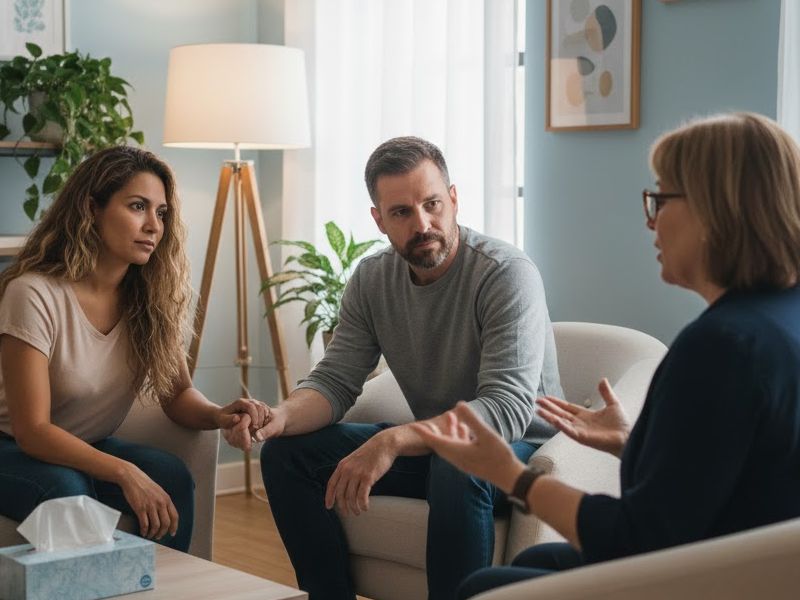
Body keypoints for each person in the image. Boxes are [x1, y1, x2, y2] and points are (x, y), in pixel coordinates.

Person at [412, 112, 800, 599]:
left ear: (715, 210)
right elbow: (738, 471)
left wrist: (511, 475)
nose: (650, 220)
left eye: (660, 198)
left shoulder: (722, 347)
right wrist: (630, 440)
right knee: (537, 559)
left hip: (713, 577)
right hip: (757, 567)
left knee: (488, 587)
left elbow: (637, 535)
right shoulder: (781, 317)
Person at [254, 136, 563, 600]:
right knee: (286, 453)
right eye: (401, 212)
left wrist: (394, 439)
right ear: (379, 219)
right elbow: (336, 381)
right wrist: (280, 416)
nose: (423, 224)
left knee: (458, 461)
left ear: (453, 199)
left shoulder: (505, 273)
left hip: (523, 451)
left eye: (433, 204)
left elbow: (507, 410)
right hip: (437, 450)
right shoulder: (373, 279)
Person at [0, 146, 269, 552]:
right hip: (13, 447)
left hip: (86, 443)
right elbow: (33, 432)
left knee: (170, 474)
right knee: (67, 490)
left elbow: (177, 395)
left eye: (161, 213)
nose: (153, 226)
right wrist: (124, 472)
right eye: (137, 207)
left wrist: (219, 414)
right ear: (92, 208)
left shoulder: (150, 300)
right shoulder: (34, 294)